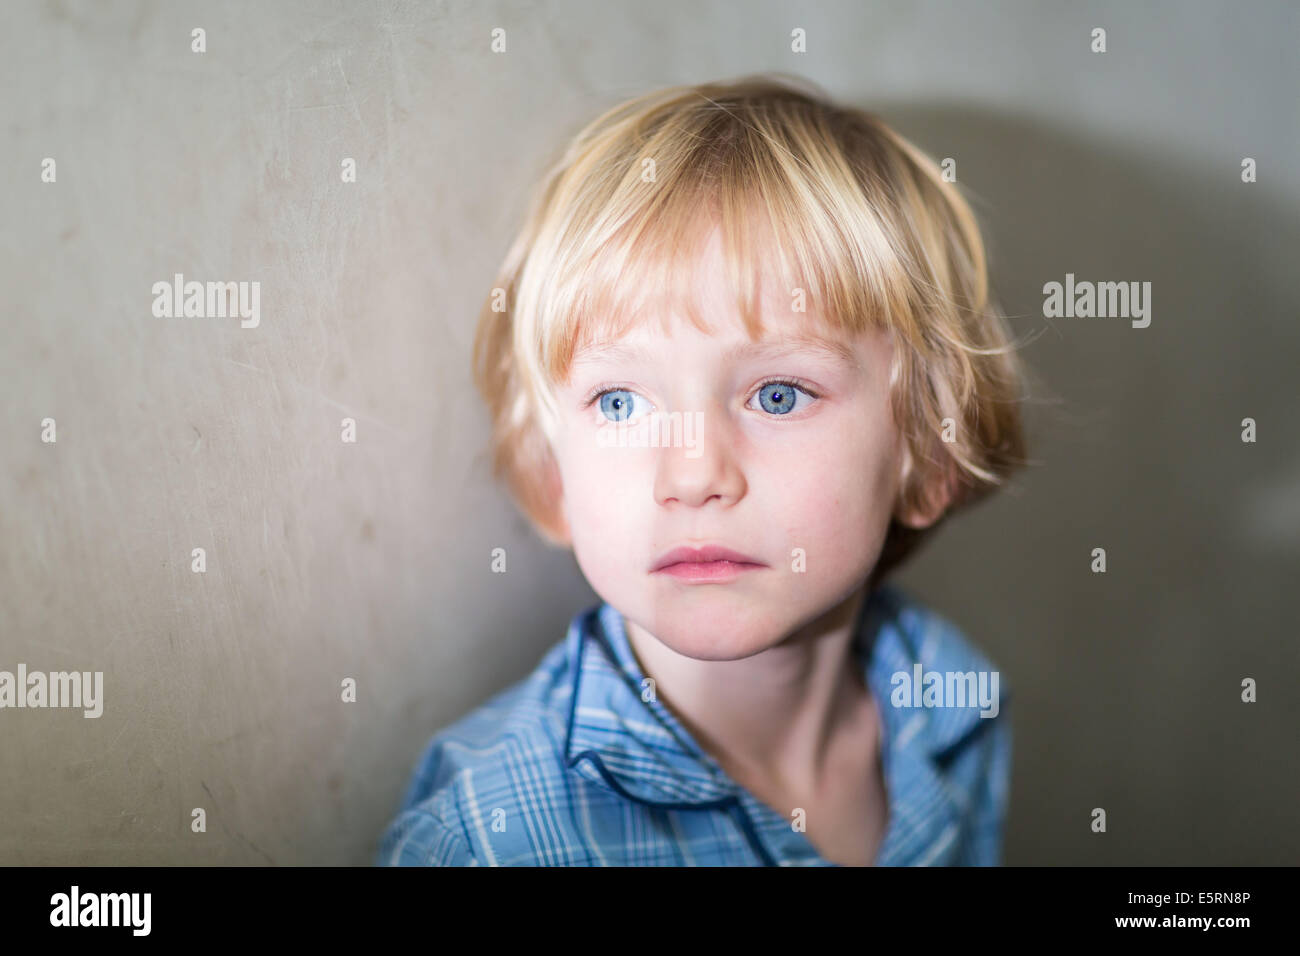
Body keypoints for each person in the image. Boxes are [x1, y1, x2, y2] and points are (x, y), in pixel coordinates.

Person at [377, 73, 1028, 866]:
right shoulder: (488, 839)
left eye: (779, 394)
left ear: (927, 457)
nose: (691, 476)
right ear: (555, 476)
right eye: (620, 402)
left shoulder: (954, 708)